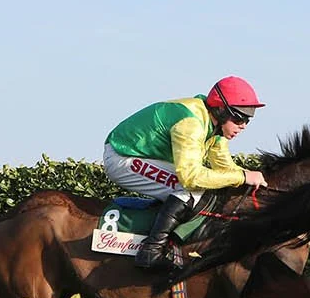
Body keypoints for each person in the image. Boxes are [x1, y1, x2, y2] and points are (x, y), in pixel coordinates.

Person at [102, 76, 268, 269]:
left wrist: (247, 175)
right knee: (191, 189)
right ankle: (151, 251)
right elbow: (191, 177)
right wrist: (242, 176)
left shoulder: (215, 129)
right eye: (239, 118)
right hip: (122, 157)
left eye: (248, 120)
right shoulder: (191, 124)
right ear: (221, 110)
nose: (243, 125)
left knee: (209, 187)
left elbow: (224, 167)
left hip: (141, 156)